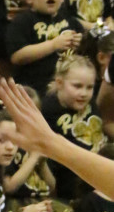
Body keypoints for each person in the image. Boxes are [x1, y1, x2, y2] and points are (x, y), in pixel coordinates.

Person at [6, 0, 83, 98]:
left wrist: (79, 42)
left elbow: (82, 48)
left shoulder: (70, 20)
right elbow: (17, 56)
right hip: (33, 87)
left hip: (66, 86)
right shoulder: (23, 21)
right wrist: (53, 45)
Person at [41, 54, 103, 202]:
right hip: (70, 184)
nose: (84, 93)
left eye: (90, 87)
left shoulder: (90, 104)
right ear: (60, 83)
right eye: (77, 86)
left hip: (98, 173)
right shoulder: (49, 109)